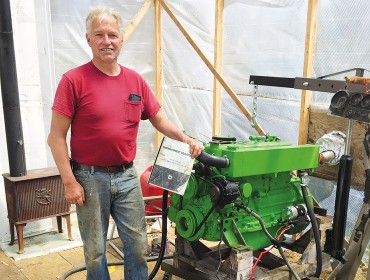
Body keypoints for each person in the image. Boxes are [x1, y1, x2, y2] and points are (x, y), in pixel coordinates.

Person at [47, 5, 204, 280]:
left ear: (121, 39)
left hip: (127, 176)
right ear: (88, 40)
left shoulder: (135, 81)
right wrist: (69, 181)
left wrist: (185, 138)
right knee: (95, 250)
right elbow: (55, 137)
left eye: (112, 35)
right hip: (88, 178)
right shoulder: (73, 80)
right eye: (99, 35)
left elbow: (158, 118)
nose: (106, 41)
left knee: (138, 245)